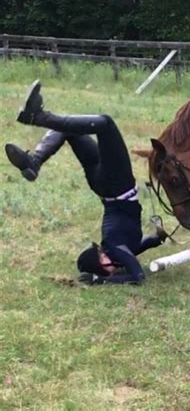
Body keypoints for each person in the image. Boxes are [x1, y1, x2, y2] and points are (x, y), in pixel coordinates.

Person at [4, 79, 167, 285]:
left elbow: (136, 263)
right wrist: (159, 237)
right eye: (99, 254)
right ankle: (36, 136)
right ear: (104, 265)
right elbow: (139, 274)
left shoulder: (115, 248)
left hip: (115, 186)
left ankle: (35, 157)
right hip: (106, 186)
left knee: (105, 124)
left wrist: (99, 279)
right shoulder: (118, 250)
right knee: (100, 125)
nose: (101, 250)